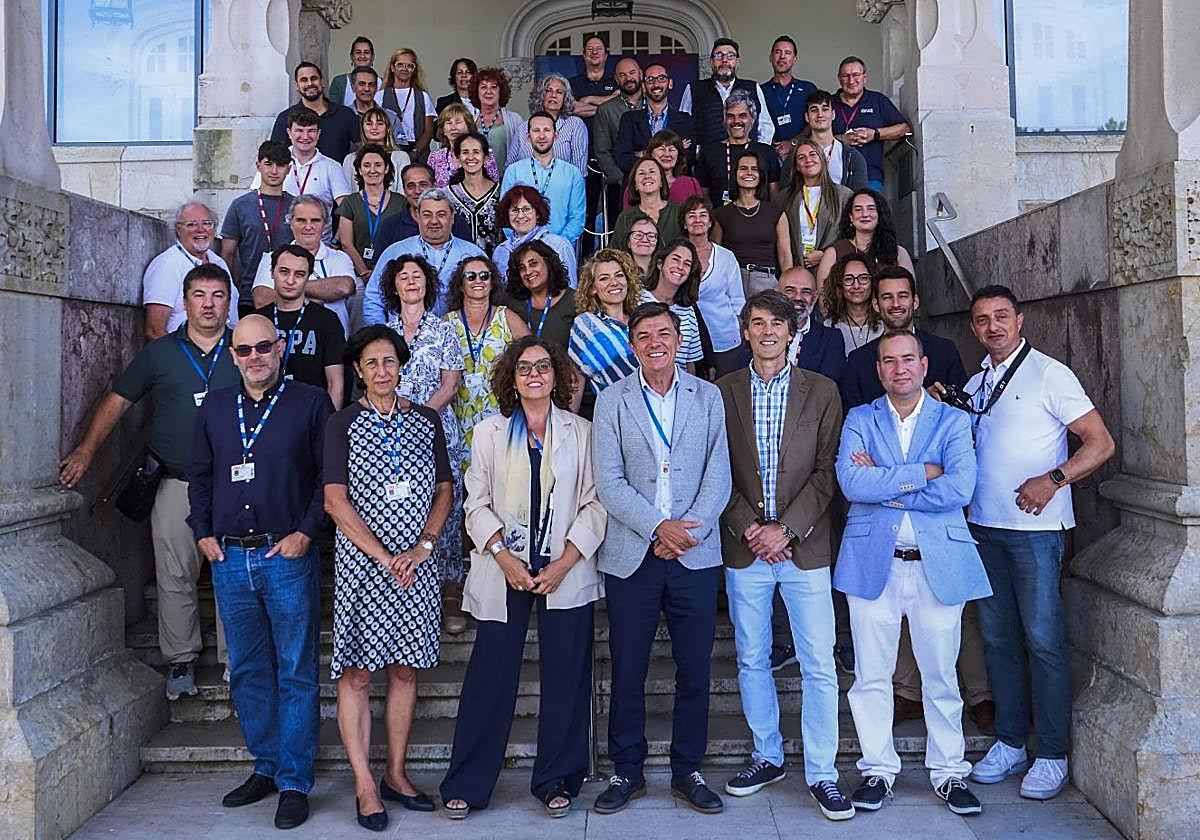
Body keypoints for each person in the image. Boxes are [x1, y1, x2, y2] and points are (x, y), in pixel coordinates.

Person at [441, 336, 606, 819]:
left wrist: (565, 561)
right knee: (489, 679)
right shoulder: (490, 432)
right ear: (511, 379)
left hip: (564, 571)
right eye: (523, 368)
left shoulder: (583, 431)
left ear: (557, 376)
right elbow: (475, 504)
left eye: (543, 367)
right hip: (504, 570)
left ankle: (557, 779)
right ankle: (468, 783)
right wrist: (503, 556)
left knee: (566, 678)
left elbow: (596, 503)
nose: (534, 374)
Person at [60, 264, 240, 699]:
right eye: (200, 295)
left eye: (218, 295)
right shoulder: (161, 354)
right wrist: (86, 450)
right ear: (184, 301)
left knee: (233, 573)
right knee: (174, 572)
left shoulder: (246, 348)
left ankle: (240, 664)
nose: (209, 304)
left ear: (229, 302)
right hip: (176, 481)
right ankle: (181, 660)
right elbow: (117, 402)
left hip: (236, 485)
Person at [964, 285, 1114, 800]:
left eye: (1001, 316)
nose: (993, 327)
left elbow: (1101, 443)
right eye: (982, 320)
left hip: (1036, 534)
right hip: (984, 528)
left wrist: (1052, 480)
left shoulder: (1050, 373)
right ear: (974, 328)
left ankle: (1051, 752)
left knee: (1044, 642)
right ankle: (1010, 742)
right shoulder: (979, 378)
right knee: (999, 641)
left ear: (1020, 319)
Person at [835, 329, 990, 817]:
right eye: (889, 361)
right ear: (878, 370)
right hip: (871, 564)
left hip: (937, 564)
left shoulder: (952, 421)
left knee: (941, 675)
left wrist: (884, 483)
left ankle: (949, 773)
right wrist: (923, 472)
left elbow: (961, 488)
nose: (899, 368)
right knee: (871, 677)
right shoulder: (860, 417)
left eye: (908, 360)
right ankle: (877, 770)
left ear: (925, 366)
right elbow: (850, 481)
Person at [187, 314, 332, 831]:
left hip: (285, 556)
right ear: (233, 356)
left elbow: (328, 477)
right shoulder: (217, 407)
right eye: (244, 351)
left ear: (281, 347)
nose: (255, 358)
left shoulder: (310, 402)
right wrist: (201, 532)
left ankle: (294, 781)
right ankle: (266, 765)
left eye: (263, 347)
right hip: (229, 559)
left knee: (295, 669)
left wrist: (306, 534)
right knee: (248, 669)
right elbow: (200, 475)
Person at [590, 301, 731, 816]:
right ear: (633, 345)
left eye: (664, 333)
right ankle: (626, 770)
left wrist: (685, 530)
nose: (655, 342)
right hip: (634, 553)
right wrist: (656, 527)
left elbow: (720, 472)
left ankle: (687, 769)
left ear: (678, 340)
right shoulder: (611, 400)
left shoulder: (708, 396)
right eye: (644, 334)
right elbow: (609, 480)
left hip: (694, 552)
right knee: (628, 667)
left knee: (695, 668)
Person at [716, 290, 851, 820]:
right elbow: (714, 470)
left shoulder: (822, 391)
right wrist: (751, 526)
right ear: (744, 330)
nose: (768, 331)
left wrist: (787, 531)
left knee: (819, 663)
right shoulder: (721, 391)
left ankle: (822, 772)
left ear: (794, 329)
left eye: (778, 322)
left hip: (806, 547)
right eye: (757, 322)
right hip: (745, 545)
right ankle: (767, 754)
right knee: (752, 658)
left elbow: (828, 471)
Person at [324, 324, 454, 831]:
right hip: (364, 567)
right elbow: (335, 501)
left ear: (402, 366)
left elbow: (444, 488)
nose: (382, 370)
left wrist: (422, 546)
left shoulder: (425, 420)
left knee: (405, 670)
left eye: (390, 361)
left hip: (415, 569)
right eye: (372, 362)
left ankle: (397, 775)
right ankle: (364, 784)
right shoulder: (342, 425)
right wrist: (383, 555)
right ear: (358, 370)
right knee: (358, 674)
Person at [380, 255, 469, 634]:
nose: (411, 282)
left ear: (428, 284)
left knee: (444, 509)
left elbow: (451, 384)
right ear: (394, 286)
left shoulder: (444, 329)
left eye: (417, 276)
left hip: (436, 430)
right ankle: (407, 592)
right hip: (391, 431)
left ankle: (450, 595)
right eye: (404, 277)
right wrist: (397, 418)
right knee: (401, 509)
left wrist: (420, 416)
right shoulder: (383, 332)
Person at [445, 255, 530, 471]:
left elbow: (532, 354)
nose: (478, 281)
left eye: (485, 276)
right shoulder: (447, 322)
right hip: (458, 416)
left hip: (500, 414)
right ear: (461, 284)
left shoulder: (506, 316)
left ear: (492, 282)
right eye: (471, 276)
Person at [839, 266, 967, 409]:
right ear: (876, 304)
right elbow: (852, 418)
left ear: (915, 301)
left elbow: (962, 408)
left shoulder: (945, 351)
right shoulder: (858, 361)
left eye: (903, 296)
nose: (895, 304)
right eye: (887, 297)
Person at [365, 187, 487, 320]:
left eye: (441, 214)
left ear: (452, 217)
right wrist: (382, 336)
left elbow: (489, 298)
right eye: (427, 215)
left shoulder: (473, 254)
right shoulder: (395, 252)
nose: (434, 221)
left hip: (462, 336)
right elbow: (374, 298)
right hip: (402, 337)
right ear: (417, 216)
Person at [255, 243, 346, 406]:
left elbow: (335, 382)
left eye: (299, 274)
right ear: (271, 273)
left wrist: (330, 426)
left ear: (308, 277)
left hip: (312, 413)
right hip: (265, 412)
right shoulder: (258, 320)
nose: (290, 280)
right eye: (284, 272)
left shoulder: (327, 320)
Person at [252, 196, 356, 337]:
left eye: (315, 221)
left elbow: (344, 287)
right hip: (280, 346)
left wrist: (289, 290)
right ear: (290, 222)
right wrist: (318, 298)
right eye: (301, 220)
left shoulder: (339, 258)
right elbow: (262, 300)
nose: (308, 227)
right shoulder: (271, 257)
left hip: (332, 347)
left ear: (325, 223)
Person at [144, 201, 239, 341]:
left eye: (207, 223)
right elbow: (154, 330)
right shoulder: (168, 265)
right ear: (178, 229)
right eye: (191, 225)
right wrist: (182, 360)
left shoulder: (219, 263)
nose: (200, 230)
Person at [220, 141, 295, 313]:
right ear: (258, 166)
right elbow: (228, 253)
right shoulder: (240, 205)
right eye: (268, 164)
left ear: (289, 169)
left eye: (281, 165)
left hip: (289, 294)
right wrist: (231, 291)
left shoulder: (297, 206)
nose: (274, 171)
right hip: (248, 296)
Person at [713, 148, 792, 297]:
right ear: (735, 174)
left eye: (754, 169)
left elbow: (785, 256)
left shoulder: (776, 212)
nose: (749, 173)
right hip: (732, 282)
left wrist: (787, 288)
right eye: (743, 168)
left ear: (761, 175)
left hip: (767, 282)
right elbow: (717, 256)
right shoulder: (721, 214)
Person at [682, 194, 745, 378]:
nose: (697, 220)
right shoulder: (676, 257)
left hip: (724, 338)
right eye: (691, 215)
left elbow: (738, 300)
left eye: (703, 215)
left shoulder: (726, 257)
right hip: (688, 341)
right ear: (684, 223)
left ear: (710, 222)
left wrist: (741, 329)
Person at [568, 248, 642, 405]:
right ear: (593, 288)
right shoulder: (587, 324)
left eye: (619, 275)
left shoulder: (642, 320)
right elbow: (580, 378)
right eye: (604, 278)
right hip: (618, 412)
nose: (614, 282)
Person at [500, 112, 587, 245]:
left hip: (560, 249)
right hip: (521, 248)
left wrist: (557, 244)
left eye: (547, 130)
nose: (541, 136)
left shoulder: (573, 173)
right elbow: (505, 214)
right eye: (536, 130)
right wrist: (522, 243)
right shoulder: (513, 171)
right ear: (528, 137)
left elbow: (577, 219)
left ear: (556, 135)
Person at [276, 106, 353, 243]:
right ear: (289, 133)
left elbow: (347, 211)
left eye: (311, 131)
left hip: (320, 248)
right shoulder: (275, 162)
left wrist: (335, 242)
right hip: (281, 248)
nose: (305, 137)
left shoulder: (332, 167)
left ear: (318, 134)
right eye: (299, 130)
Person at [832, 56, 910, 192]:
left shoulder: (878, 100)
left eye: (856, 75)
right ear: (839, 79)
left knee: (869, 213)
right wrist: (840, 139)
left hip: (870, 176)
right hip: (834, 178)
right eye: (845, 76)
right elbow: (812, 137)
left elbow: (904, 128)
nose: (851, 80)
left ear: (865, 77)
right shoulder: (829, 103)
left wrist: (875, 134)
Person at [680, 38, 774, 147]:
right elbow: (684, 126)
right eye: (718, 55)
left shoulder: (752, 88)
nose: (724, 60)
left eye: (730, 56)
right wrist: (697, 153)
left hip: (746, 157)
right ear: (711, 62)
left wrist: (758, 150)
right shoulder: (694, 89)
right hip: (708, 159)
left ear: (737, 62)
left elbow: (766, 126)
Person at [695, 90, 781, 206]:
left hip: (759, 220)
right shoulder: (709, 152)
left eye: (742, 116)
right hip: (719, 220)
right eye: (731, 116)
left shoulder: (767, 152)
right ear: (724, 120)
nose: (736, 121)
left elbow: (774, 197)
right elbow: (703, 196)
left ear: (753, 119)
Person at [336, 144, 406, 284]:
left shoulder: (401, 202)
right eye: (366, 165)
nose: (372, 170)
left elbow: (403, 242)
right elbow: (346, 243)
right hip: (358, 275)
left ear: (386, 169)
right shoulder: (350, 202)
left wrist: (383, 271)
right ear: (360, 170)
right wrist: (364, 272)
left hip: (394, 274)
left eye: (378, 165)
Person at [816, 189, 914, 288]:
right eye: (858, 209)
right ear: (851, 217)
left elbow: (909, 292)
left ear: (879, 214)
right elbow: (824, 296)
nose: (865, 214)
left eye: (871, 209)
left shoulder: (899, 253)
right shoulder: (834, 253)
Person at [615, 64, 698, 177]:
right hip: (641, 187)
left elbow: (689, 158)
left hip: (676, 186)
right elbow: (623, 160)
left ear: (670, 83)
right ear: (643, 87)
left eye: (661, 78)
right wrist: (674, 151)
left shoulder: (685, 120)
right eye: (650, 80)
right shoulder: (629, 119)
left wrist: (643, 154)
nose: (656, 84)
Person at [594, 57, 645, 236]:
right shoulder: (606, 110)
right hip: (622, 185)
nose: (628, 78)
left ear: (640, 74)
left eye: (632, 73)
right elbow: (602, 151)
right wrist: (621, 179)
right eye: (622, 75)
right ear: (616, 80)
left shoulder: (655, 105)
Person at [783, 139, 851, 271]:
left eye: (813, 154)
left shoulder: (844, 195)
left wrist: (826, 254)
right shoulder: (784, 198)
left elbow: (852, 236)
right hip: (796, 268)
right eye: (801, 157)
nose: (808, 159)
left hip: (831, 268)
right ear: (797, 166)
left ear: (823, 159)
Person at [270, 62, 359, 162]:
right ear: (297, 86)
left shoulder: (345, 115)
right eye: (304, 80)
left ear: (323, 82)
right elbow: (275, 157)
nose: (309, 83)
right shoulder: (285, 118)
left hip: (337, 176)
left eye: (314, 78)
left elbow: (363, 147)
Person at [374, 162, 473, 252]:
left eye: (423, 184)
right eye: (411, 186)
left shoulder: (456, 223)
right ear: (404, 190)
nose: (417, 191)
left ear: (435, 186)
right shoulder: (390, 225)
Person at [641, 239, 706, 374]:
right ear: (660, 263)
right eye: (675, 259)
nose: (680, 267)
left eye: (687, 264)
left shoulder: (688, 311)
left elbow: (690, 363)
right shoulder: (636, 300)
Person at [492, 185, 578, 287]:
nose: (520, 216)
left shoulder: (559, 245)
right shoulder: (501, 251)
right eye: (514, 210)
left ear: (537, 213)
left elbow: (571, 290)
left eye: (526, 209)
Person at [503, 240, 577, 355]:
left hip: (564, 371)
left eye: (533, 264)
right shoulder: (510, 303)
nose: (528, 271)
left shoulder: (574, 301)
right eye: (522, 268)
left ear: (549, 263)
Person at [507, 75, 589, 177]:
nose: (553, 95)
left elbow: (579, 172)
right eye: (548, 91)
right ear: (540, 96)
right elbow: (510, 167)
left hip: (562, 188)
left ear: (565, 98)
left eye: (559, 92)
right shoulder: (523, 127)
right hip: (526, 189)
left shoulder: (575, 125)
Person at [778, 266, 844, 381]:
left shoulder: (830, 339)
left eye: (806, 292)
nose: (798, 297)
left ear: (815, 298)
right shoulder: (760, 332)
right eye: (790, 290)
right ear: (777, 294)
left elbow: (827, 388)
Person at [799, 89, 868, 190]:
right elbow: (787, 197)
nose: (820, 115)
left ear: (833, 114)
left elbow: (860, 198)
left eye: (825, 109)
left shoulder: (852, 157)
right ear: (806, 117)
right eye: (814, 110)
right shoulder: (796, 157)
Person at [446, 132, 503, 254]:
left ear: (486, 157)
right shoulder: (447, 195)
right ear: (458, 158)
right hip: (457, 264)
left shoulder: (501, 193)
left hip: (494, 266)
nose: (470, 157)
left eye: (476, 152)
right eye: (465, 152)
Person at [760, 36, 816, 158]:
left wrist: (793, 143)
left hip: (803, 154)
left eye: (788, 53)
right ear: (770, 57)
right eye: (778, 52)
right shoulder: (759, 90)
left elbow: (815, 122)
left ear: (795, 59)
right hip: (770, 155)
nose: (782, 57)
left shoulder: (808, 89)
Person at [611, 158, 682, 249]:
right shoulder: (625, 217)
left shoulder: (678, 212)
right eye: (641, 173)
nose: (647, 176)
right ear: (635, 185)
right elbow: (616, 254)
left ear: (661, 182)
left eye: (652, 172)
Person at [377, 49, 436, 157]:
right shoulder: (380, 96)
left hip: (418, 151)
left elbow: (428, 131)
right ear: (392, 68)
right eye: (400, 64)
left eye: (409, 66)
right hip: (388, 150)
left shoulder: (423, 97)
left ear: (414, 70)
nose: (404, 69)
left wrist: (415, 152)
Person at [621, 130, 703, 208]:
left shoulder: (690, 184)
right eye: (661, 149)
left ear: (678, 155)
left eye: (671, 149)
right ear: (651, 154)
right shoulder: (639, 185)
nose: (667, 154)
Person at [822, 251, 883, 355]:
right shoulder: (828, 327)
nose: (856, 286)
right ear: (839, 284)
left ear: (873, 282)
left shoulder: (885, 324)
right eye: (848, 279)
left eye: (863, 278)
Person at [470, 67, 525, 181]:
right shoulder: (470, 120)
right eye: (483, 87)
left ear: (501, 91)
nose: (488, 91)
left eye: (494, 87)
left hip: (506, 181)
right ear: (476, 91)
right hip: (475, 183)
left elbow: (522, 154)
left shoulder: (515, 120)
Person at [427, 104, 499, 186]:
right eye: (449, 123)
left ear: (469, 127)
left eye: (458, 122)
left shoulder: (484, 154)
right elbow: (430, 188)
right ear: (443, 130)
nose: (453, 128)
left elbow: (493, 185)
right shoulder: (435, 157)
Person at [344, 106, 411, 187]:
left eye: (380, 124)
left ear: (387, 128)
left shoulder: (401, 157)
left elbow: (403, 191)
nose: (374, 128)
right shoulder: (350, 159)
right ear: (362, 128)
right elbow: (347, 193)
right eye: (369, 124)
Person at [328, 36, 375, 106]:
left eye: (366, 52)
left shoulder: (384, 83)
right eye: (358, 52)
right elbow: (332, 110)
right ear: (352, 56)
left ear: (372, 57)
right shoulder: (339, 82)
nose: (362, 56)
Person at [621, 214, 660, 283]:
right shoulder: (620, 273)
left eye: (651, 236)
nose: (645, 240)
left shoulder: (664, 272)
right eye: (638, 235)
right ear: (628, 242)